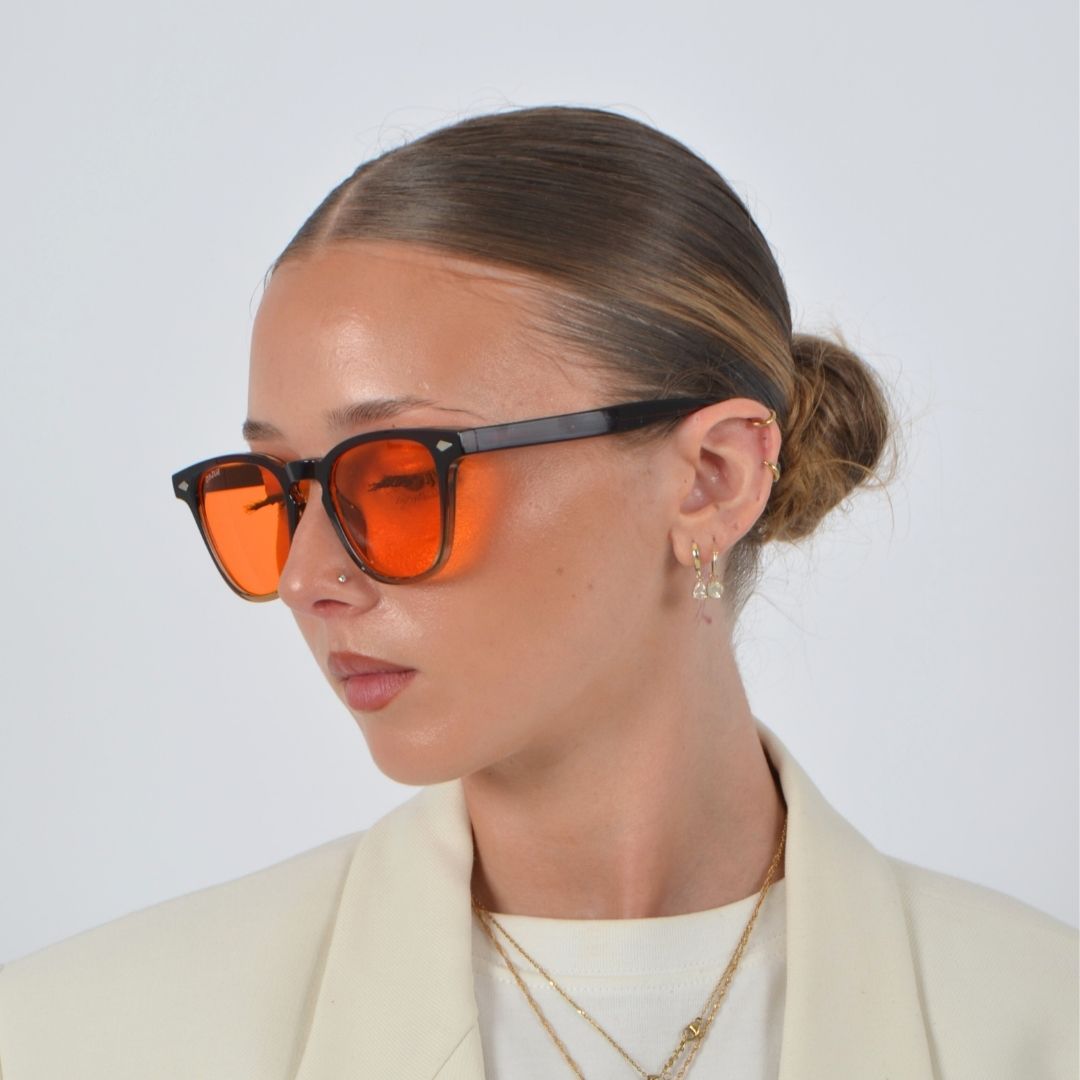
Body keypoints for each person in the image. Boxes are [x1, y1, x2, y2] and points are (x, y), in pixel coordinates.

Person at [0, 105, 1074, 1080]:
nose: (304, 577)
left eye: (401, 477)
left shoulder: (1037, 1026)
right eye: (273, 489)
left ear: (712, 480)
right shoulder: (82, 1040)